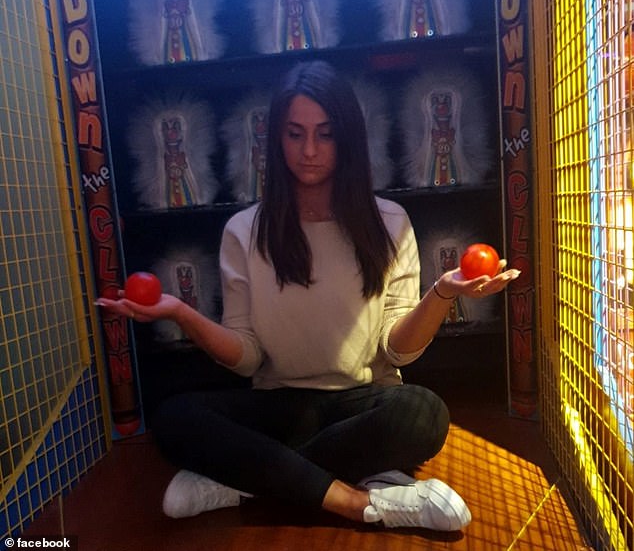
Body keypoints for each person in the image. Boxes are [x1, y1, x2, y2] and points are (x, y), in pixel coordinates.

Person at [98, 60, 520, 531]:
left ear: (348, 138)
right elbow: (247, 359)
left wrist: (441, 293)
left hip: (363, 402)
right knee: (174, 417)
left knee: (424, 414)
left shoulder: (391, 223)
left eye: (326, 133)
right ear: (276, 141)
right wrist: (179, 311)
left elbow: (396, 350)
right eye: (295, 134)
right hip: (280, 407)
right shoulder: (244, 230)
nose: (310, 150)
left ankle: (244, 480)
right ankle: (361, 501)